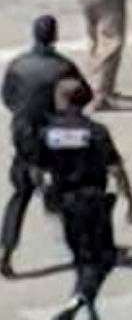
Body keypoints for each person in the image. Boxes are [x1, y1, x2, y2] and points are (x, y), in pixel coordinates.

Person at [35, 77, 132, 320]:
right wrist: (130, 199)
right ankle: (75, 307)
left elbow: (39, 170)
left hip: (66, 203)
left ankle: (91, 317)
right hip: (93, 201)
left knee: (83, 261)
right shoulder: (95, 131)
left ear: (61, 100)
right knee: (104, 258)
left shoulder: (48, 133)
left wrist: (47, 198)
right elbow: (115, 168)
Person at [2, 16, 90, 278]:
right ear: (54, 37)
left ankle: (6, 249)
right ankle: (78, 248)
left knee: (20, 195)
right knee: (66, 194)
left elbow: (7, 97)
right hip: (54, 137)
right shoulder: (63, 67)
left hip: (23, 136)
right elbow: (83, 95)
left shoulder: (18, 65)